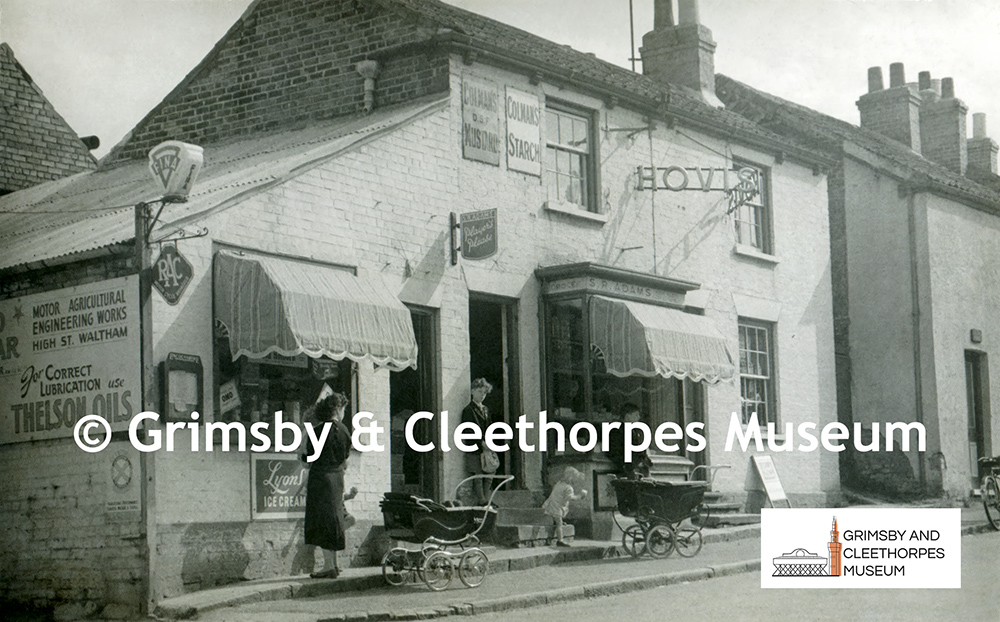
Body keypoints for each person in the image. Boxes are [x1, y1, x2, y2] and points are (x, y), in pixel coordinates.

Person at [303, 392, 353, 579]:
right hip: (337, 478)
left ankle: (328, 566)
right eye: (344, 409)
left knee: (322, 521)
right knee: (334, 519)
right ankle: (333, 564)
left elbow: (308, 459)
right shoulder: (345, 431)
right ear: (338, 409)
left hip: (320, 478)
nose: (344, 413)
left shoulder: (316, 432)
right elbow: (345, 458)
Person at [462, 378, 497, 505]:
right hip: (475, 447)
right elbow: (467, 430)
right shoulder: (468, 410)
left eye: (484, 393)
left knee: (490, 472)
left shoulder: (486, 410)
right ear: (472, 391)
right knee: (477, 474)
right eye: (480, 392)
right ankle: (481, 500)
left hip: (487, 447)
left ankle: (487, 499)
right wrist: (480, 442)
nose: (482, 395)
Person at [542, 467, 587, 547]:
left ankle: (556, 527)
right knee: (559, 524)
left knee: (556, 519)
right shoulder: (568, 488)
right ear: (571, 478)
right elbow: (570, 498)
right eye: (575, 480)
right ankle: (560, 540)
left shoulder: (559, 483)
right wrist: (580, 496)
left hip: (552, 504)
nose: (575, 482)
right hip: (557, 507)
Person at [606, 402, 653, 479]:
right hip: (627, 472)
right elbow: (614, 452)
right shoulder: (617, 430)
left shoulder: (635, 431)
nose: (638, 418)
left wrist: (645, 462)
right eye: (636, 415)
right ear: (627, 416)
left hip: (640, 471)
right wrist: (627, 467)